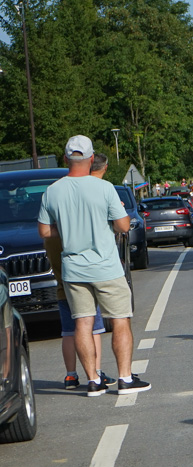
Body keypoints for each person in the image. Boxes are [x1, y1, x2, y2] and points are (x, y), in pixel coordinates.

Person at [37, 135, 150, 397]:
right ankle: (124, 378)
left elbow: (44, 231)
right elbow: (123, 225)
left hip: (73, 269)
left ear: (66, 159)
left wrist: (67, 226)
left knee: (82, 324)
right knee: (120, 321)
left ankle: (92, 381)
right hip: (105, 266)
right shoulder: (104, 188)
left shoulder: (52, 191)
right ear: (90, 159)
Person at [44, 153, 116, 390]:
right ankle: (94, 373)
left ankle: (70, 374)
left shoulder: (53, 230)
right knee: (92, 328)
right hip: (84, 278)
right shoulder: (77, 224)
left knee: (68, 331)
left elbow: (49, 244)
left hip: (63, 283)